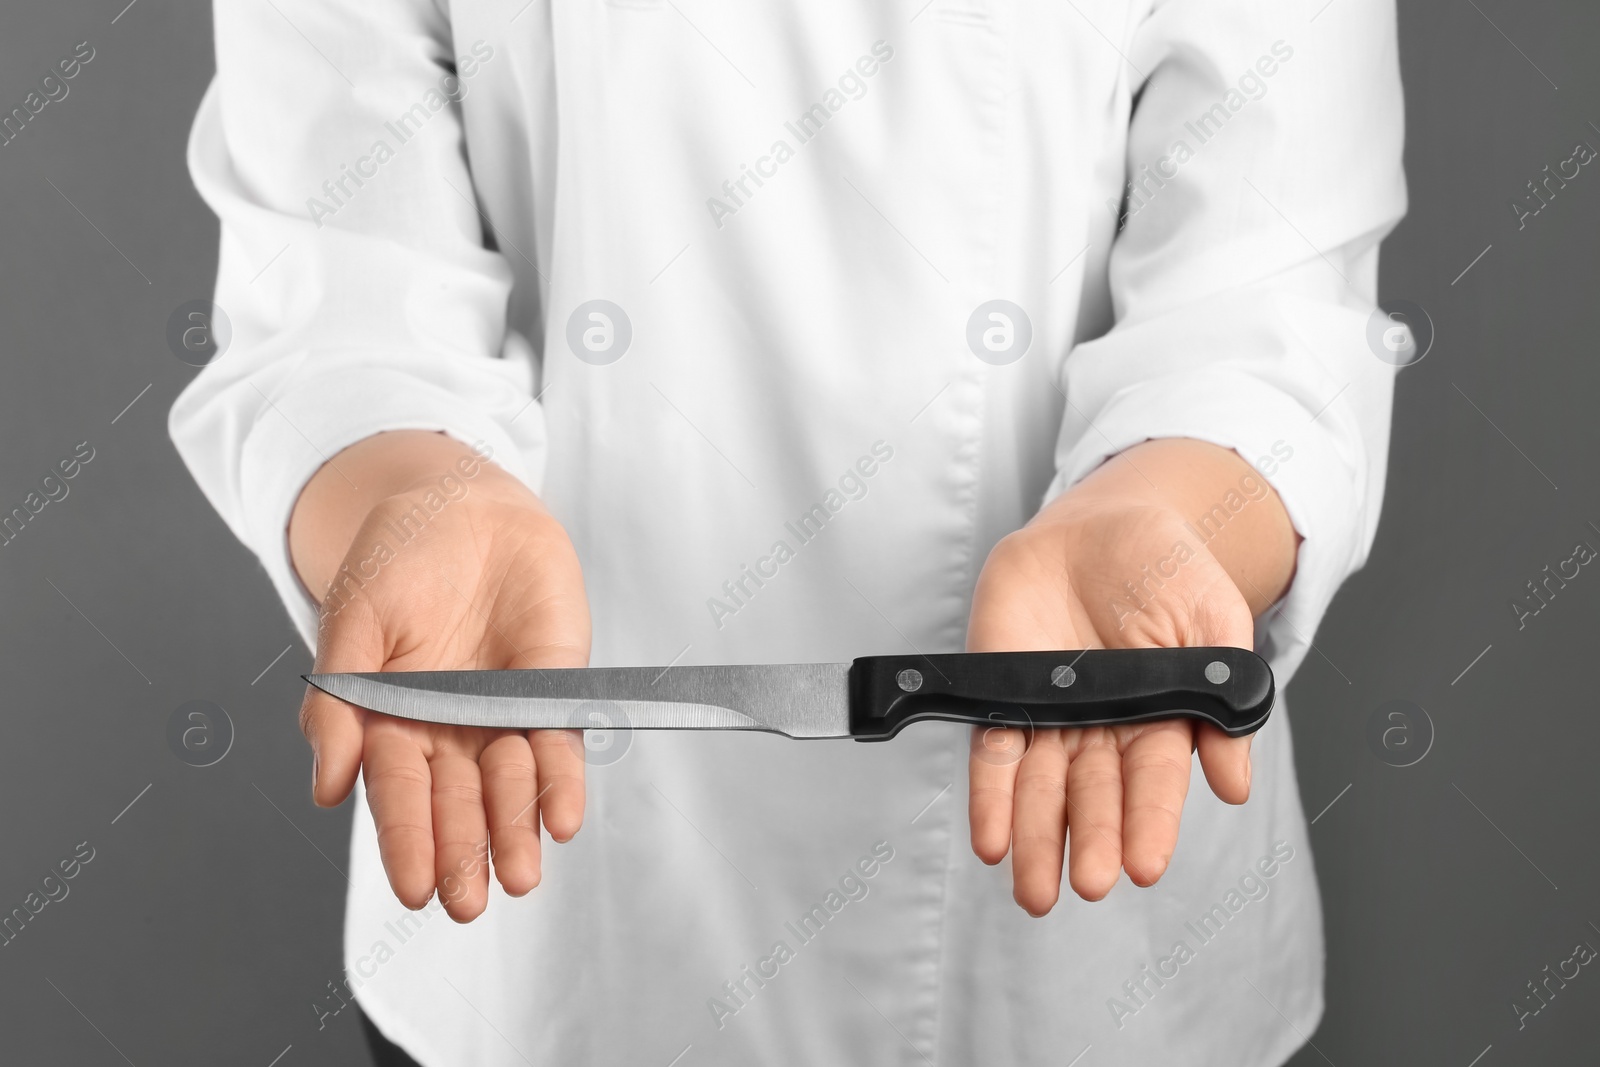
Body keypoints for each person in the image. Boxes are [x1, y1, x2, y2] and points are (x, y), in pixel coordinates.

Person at [170, 1, 1405, 1063]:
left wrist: (1172, 511)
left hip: (1077, 882)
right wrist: (406, 495)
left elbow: (1268, 297)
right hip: (548, 875)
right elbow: (333, 276)